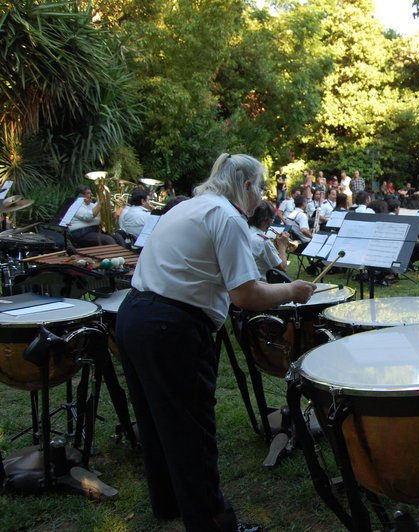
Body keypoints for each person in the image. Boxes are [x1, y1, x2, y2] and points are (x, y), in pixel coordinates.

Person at [116, 153, 314, 531]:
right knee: (192, 430)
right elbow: (245, 295)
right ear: (245, 185)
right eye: (260, 186)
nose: (261, 195)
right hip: (170, 328)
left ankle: (171, 504)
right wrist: (292, 290)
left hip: (134, 315)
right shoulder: (227, 216)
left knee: (158, 422)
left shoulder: (189, 207)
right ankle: (212, 522)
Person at [248, 201, 289, 276]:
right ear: (267, 219)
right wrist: (282, 246)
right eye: (272, 218)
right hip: (263, 283)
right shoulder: (263, 241)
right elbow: (283, 268)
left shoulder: (246, 231)